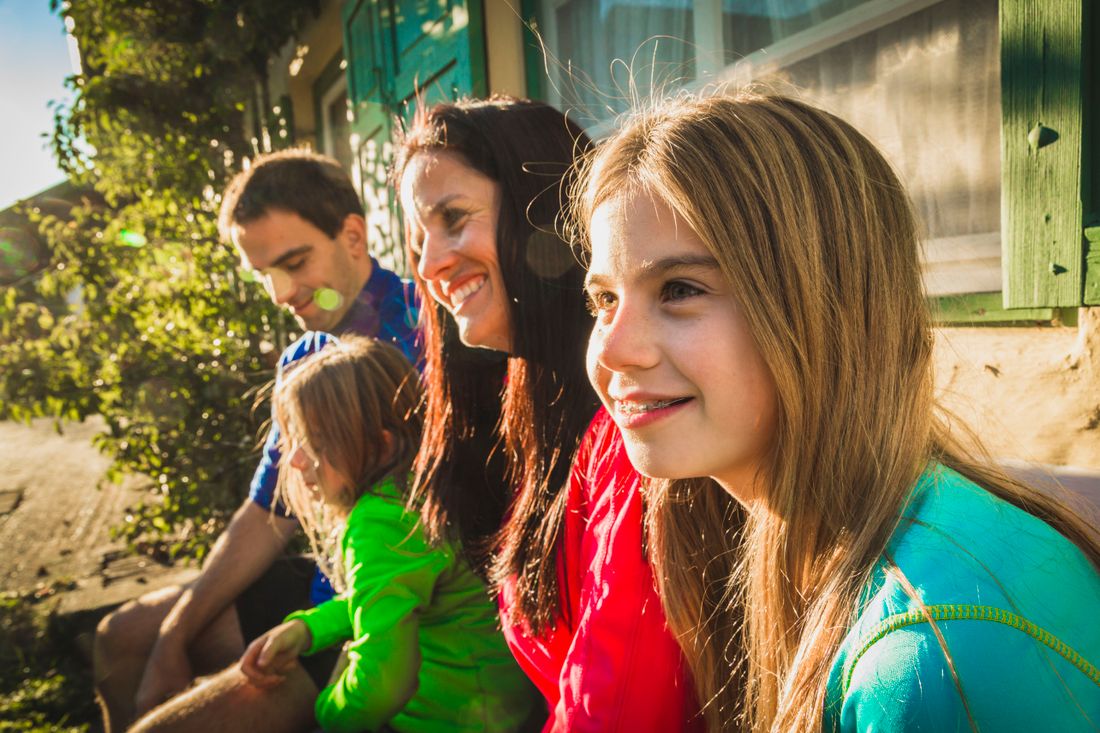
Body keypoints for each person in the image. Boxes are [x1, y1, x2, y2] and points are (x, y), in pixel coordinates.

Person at [578, 91, 1100, 731]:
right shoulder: (836, 535)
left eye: (680, 290)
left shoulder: (927, 656)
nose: (615, 348)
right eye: (603, 299)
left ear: (825, 303)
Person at [394, 96, 700, 731]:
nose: (427, 266)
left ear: (545, 212)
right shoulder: (533, 404)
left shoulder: (636, 432)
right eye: (419, 238)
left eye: (453, 218)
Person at [93, 149, 419, 732]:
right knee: (123, 639)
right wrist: (174, 635)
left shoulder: (426, 335)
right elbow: (270, 512)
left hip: (386, 603)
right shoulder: (303, 357)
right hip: (324, 580)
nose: (280, 293)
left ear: (352, 236)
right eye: (265, 273)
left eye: (294, 263)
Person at [133, 335, 532, 732]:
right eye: (293, 441)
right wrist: (309, 628)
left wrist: (325, 716)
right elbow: (387, 596)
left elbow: (385, 684)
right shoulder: (417, 490)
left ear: (379, 446)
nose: (295, 460)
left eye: (314, 443)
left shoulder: (379, 522)